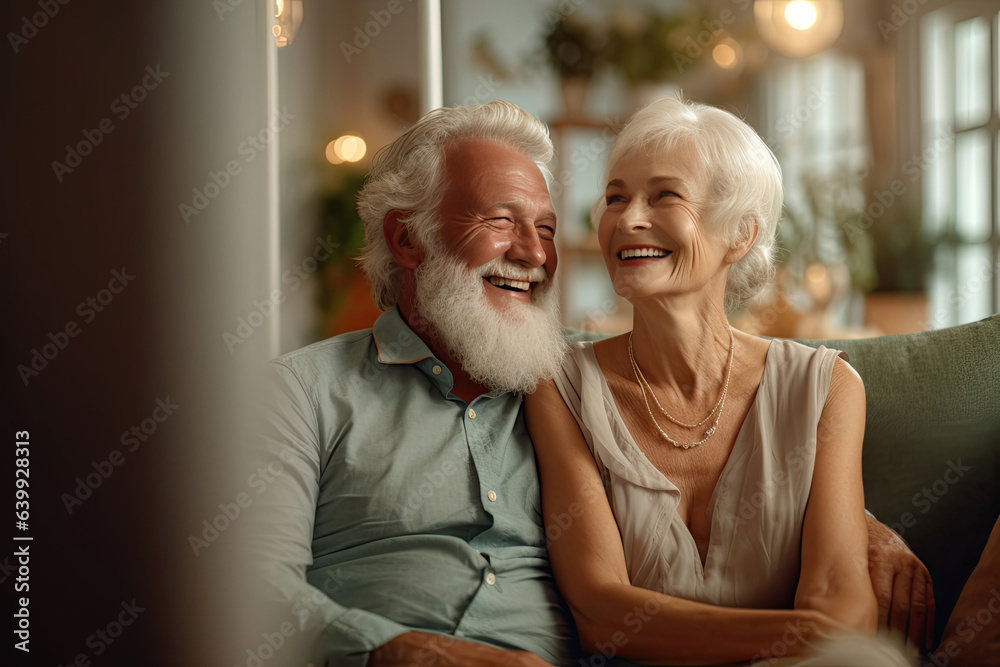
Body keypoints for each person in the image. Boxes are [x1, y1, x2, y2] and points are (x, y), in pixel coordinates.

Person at [249, 100, 933, 666]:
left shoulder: (555, 372)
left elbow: (743, 437)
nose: (534, 253)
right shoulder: (301, 391)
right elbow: (241, 584)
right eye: (501, 221)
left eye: (545, 228)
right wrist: (397, 650)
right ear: (408, 241)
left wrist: (867, 525)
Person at [524, 97, 913, 666]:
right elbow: (601, 611)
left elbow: (839, 598)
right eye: (614, 197)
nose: (628, 218)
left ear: (740, 233)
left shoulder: (827, 388)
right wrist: (805, 637)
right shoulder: (558, 385)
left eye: (665, 195)